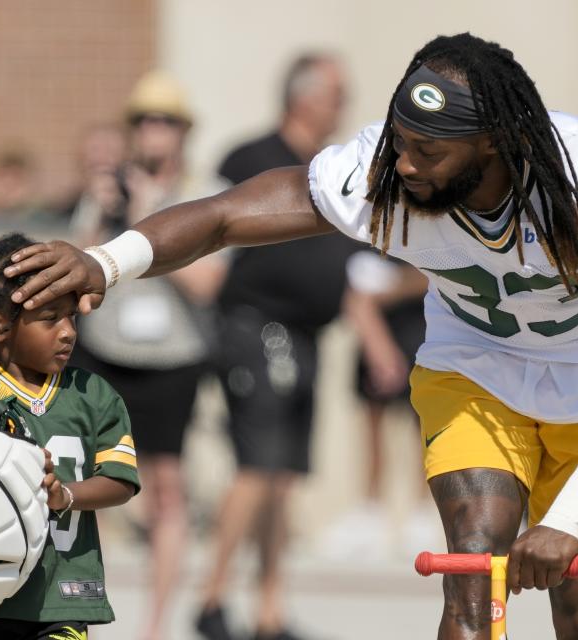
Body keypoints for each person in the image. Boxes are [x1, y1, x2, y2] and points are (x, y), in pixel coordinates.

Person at [5, 33, 578, 640]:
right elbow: (224, 217)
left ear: (492, 144)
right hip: (476, 370)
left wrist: (568, 516)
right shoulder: (383, 172)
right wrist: (105, 262)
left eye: (429, 151)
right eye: (400, 141)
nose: (405, 166)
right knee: (475, 569)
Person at [191, 53, 350, 640]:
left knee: (284, 475)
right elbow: (207, 234)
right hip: (256, 328)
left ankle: (269, 610)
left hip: (309, 336)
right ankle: (211, 601)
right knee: (257, 466)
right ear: (304, 98)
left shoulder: (333, 171)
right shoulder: (249, 159)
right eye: (337, 94)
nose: (344, 106)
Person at [66, 70, 226, 640]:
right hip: (107, 352)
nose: (152, 133)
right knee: (80, 477)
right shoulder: (109, 190)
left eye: (164, 121)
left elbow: (209, 285)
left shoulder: (202, 193)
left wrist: (151, 218)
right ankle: (76, 609)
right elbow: (76, 273)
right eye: (143, 121)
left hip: (173, 359)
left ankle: (155, 627)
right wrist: (101, 211)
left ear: (183, 131)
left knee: (165, 487)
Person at [0, 232, 141, 640]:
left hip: (58, 599)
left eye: (72, 318)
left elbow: (120, 481)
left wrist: (65, 495)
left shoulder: (93, 395)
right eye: (50, 319)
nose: (67, 332)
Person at [319, 250, 429, 560]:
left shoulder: (430, 222)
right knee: (372, 431)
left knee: (423, 432)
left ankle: (421, 515)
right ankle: (370, 510)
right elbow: (355, 294)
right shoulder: (367, 230)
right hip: (376, 339)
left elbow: (434, 276)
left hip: (421, 334)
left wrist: (392, 287)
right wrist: (377, 344)